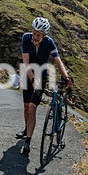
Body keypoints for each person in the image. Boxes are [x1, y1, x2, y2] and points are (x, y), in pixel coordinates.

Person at [18, 16, 73, 154]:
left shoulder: (49, 43)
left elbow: (58, 61)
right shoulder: (26, 38)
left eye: (38, 35)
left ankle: (28, 142)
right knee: (25, 106)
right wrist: (31, 78)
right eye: (34, 33)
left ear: (44, 35)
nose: (35, 37)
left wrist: (66, 76)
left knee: (32, 108)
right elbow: (26, 61)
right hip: (28, 75)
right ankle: (26, 128)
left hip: (41, 76)